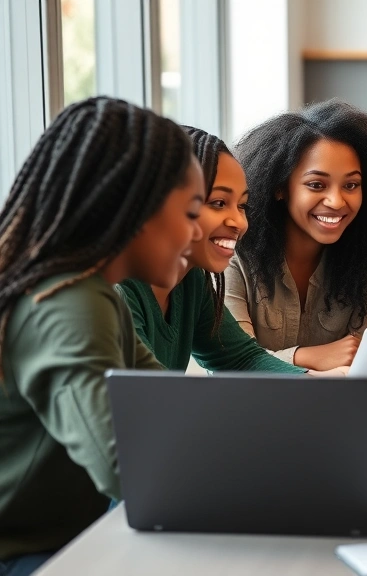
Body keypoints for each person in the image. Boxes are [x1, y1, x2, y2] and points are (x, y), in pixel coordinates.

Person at [0, 98, 203, 574]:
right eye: (191, 212)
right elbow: (121, 463)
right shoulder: (68, 302)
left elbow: (177, 403)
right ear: (137, 210)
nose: (196, 234)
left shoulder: (93, 294)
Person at [225, 99, 367, 372]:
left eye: (351, 185)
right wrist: (303, 357)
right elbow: (230, 365)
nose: (336, 201)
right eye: (316, 184)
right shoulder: (232, 255)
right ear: (280, 187)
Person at [116, 127, 305, 374]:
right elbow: (150, 398)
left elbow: (241, 359)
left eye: (241, 206)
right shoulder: (115, 290)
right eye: (218, 203)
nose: (239, 222)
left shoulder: (189, 279)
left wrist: (323, 385)